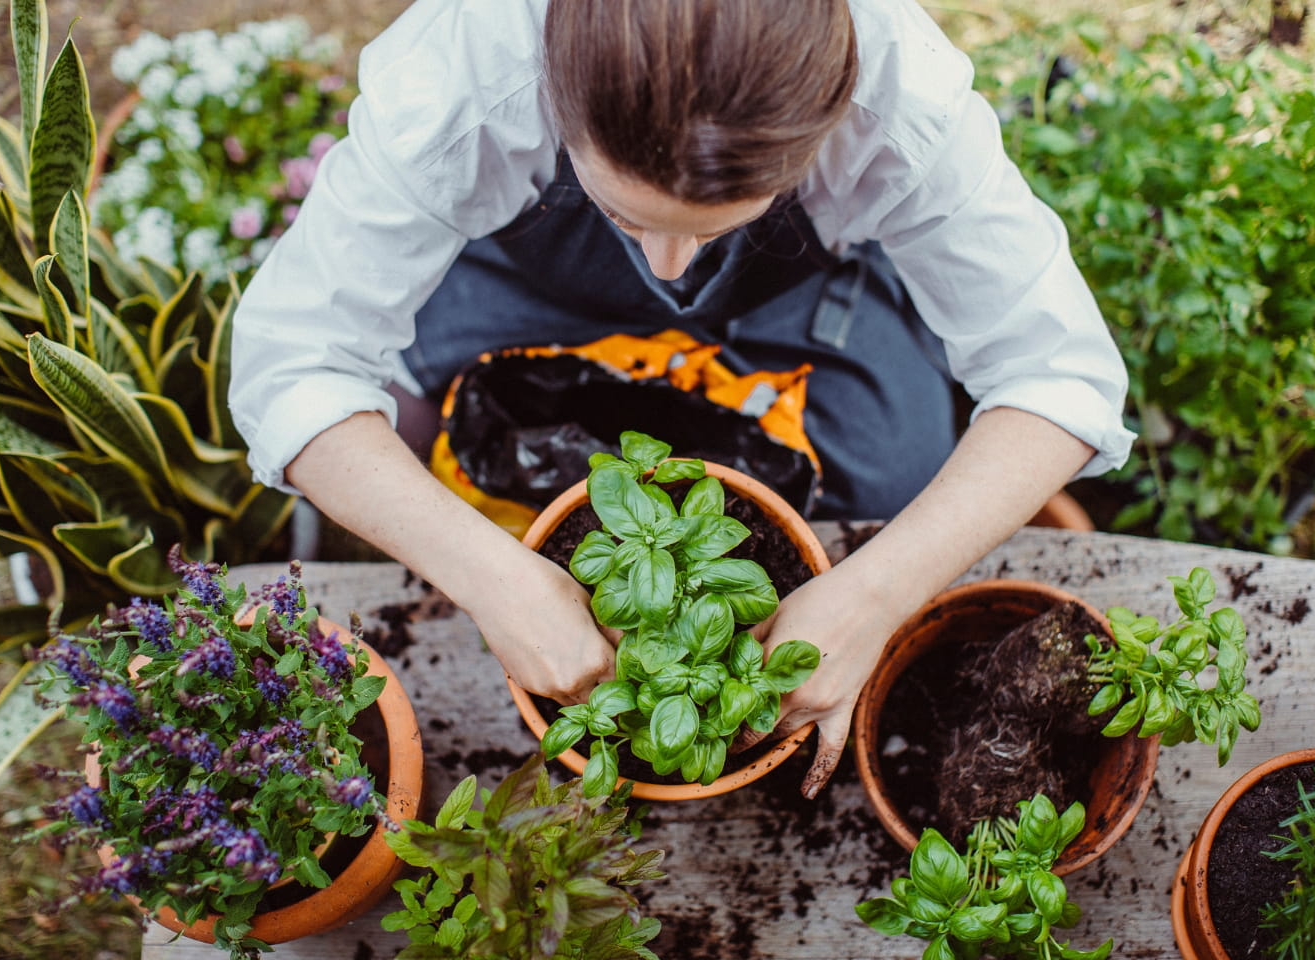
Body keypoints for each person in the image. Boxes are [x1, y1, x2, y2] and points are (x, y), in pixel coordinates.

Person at [228, 0, 1135, 798]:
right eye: (628, 217)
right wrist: (493, 580)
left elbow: (1058, 378)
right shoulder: (464, 71)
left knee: (899, 468)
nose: (671, 277)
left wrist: (872, 597)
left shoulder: (902, 94)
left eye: (719, 221)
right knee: (444, 433)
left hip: (787, 296)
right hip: (531, 282)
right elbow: (294, 366)